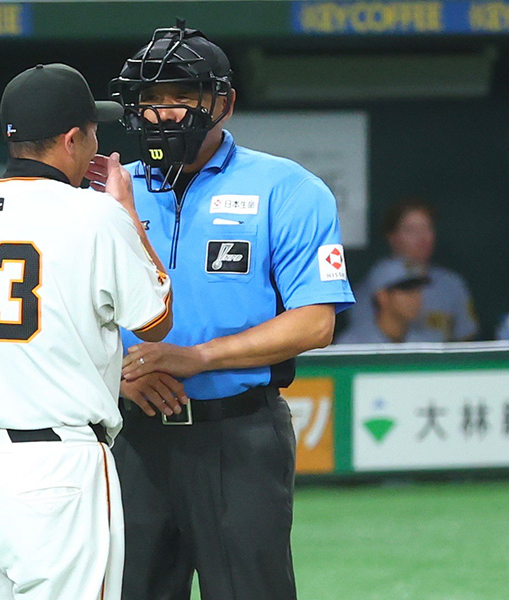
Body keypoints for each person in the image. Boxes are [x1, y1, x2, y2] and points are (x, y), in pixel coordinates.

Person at [106, 23, 355, 600]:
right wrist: (114, 373)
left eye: (181, 96)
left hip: (239, 435)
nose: (163, 114)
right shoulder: (106, 192)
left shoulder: (288, 188)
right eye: (150, 100)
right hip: (129, 435)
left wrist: (196, 357)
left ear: (224, 102)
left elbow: (316, 321)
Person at [0, 63, 173, 600]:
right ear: (73, 139)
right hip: (58, 467)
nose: (98, 143)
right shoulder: (96, 215)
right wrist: (128, 212)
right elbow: (156, 319)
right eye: (94, 132)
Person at [346, 198, 478, 341]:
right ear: (392, 237)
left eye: (427, 228)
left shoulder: (451, 283)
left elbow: (466, 340)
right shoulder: (373, 285)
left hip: (434, 360)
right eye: (411, 230)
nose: (422, 237)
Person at [334, 258, 440, 344]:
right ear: (382, 296)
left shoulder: (429, 341)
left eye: (418, 290)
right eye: (407, 289)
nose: (416, 298)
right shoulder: (353, 344)